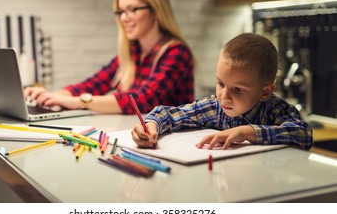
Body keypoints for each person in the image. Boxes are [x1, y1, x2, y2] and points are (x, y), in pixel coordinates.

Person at [24, 0, 194, 114]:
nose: (124, 18)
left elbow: (142, 100)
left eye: (132, 9)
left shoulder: (177, 52)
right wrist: (51, 96)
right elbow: (94, 84)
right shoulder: (132, 52)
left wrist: (77, 102)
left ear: (155, 11)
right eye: (120, 11)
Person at [132, 33, 313, 150]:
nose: (224, 97)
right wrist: (151, 125)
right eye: (220, 83)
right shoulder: (215, 107)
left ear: (265, 92)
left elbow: (303, 134)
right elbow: (170, 114)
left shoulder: (276, 110)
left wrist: (246, 132)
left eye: (238, 89)